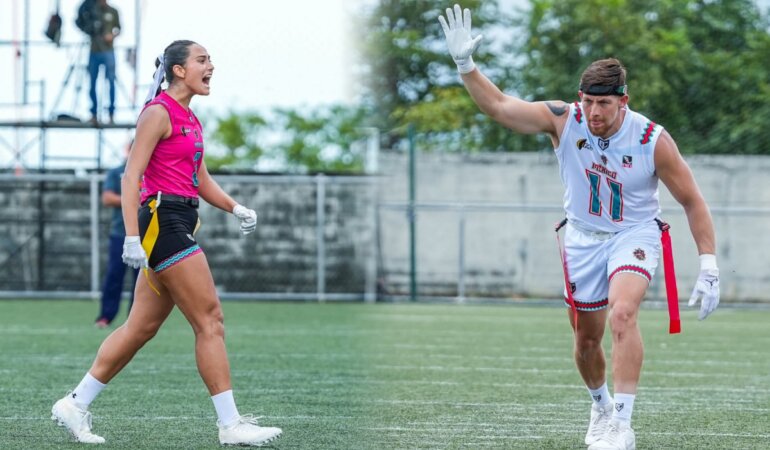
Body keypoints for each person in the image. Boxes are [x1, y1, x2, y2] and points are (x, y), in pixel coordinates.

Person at [438, 5, 720, 450]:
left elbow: (692, 200)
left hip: (634, 235)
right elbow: (500, 106)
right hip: (583, 239)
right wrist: (465, 65)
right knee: (586, 341)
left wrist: (709, 263)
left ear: (623, 100)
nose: (593, 111)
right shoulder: (564, 120)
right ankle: (601, 406)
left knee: (623, 315)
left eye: (603, 103)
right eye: (588, 101)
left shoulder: (651, 139)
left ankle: (622, 424)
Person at [51, 40, 282, 446]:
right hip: (163, 221)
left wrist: (235, 207)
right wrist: (131, 237)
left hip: (179, 219)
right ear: (178, 69)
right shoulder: (158, 112)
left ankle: (75, 403)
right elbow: (131, 177)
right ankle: (230, 425)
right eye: (202, 60)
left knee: (140, 327)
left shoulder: (190, 117)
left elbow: (200, 178)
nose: (211, 66)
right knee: (210, 320)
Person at [94, 142, 138, 329]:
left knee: (142, 281)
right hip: (121, 234)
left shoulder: (154, 171)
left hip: (147, 235)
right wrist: (132, 199)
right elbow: (107, 197)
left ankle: (136, 319)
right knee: (114, 275)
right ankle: (106, 316)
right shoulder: (117, 172)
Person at [86, 0, 121, 124]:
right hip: (94, 51)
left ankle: (111, 114)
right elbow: (81, 22)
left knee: (111, 82)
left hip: (108, 51)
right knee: (92, 83)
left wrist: (112, 36)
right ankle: (93, 113)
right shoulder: (91, 10)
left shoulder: (113, 11)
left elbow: (119, 29)